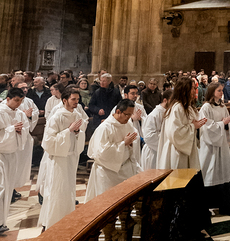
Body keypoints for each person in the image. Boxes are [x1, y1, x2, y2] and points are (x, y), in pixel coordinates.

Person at [40, 86, 88, 229]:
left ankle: (67, 219)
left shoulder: (77, 115)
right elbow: (48, 141)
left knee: (68, 189)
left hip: (71, 156)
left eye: (78, 99)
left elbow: (80, 134)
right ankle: (53, 222)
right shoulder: (57, 116)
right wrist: (69, 130)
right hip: (59, 158)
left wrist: (78, 132)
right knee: (57, 189)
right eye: (73, 99)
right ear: (65, 100)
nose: (76, 102)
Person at [85, 100, 139, 201]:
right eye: (127, 114)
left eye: (131, 114)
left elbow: (134, 140)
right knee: (107, 202)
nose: (129, 117)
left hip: (125, 170)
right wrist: (123, 144)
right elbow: (101, 152)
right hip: (107, 173)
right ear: (118, 111)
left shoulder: (127, 124)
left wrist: (131, 144)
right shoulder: (105, 128)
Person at [199, 81, 230, 212]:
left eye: (222, 90)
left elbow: (227, 123)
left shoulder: (222, 106)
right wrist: (222, 124)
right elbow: (206, 127)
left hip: (222, 144)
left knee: (223, 172)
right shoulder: (206, 108)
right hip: (211, 147)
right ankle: (209, 205)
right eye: (219, 90)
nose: (221, 93)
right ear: (212, 92)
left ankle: (225, 205)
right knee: (211, 172)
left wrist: (226, 124)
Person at [156, 76, 206, 169]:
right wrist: (193, 126)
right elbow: (174, 132)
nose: (195, 91)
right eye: (193, 88)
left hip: (187, 149)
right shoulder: (178, 108)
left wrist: (196, 126)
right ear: (184, 90)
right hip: (178, 151)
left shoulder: (188, 107)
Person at [0, 88, 32, 232]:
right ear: (8, 99)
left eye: (21, 101)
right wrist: (12, 129)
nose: (19, 104)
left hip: (11, 154)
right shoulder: (1, 112)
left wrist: (19, 131)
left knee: (7, 188)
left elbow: (26, 130)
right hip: (1, 154)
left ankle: (2, 221)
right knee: (1, 187)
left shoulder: (19, 114)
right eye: (16, 100)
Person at [140, 89, 170, 170]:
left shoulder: (168, 113)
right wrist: (165, 139)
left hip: (163, 152)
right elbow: (148, 137)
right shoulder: (154, 115)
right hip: (153, 153)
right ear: (165, 100)